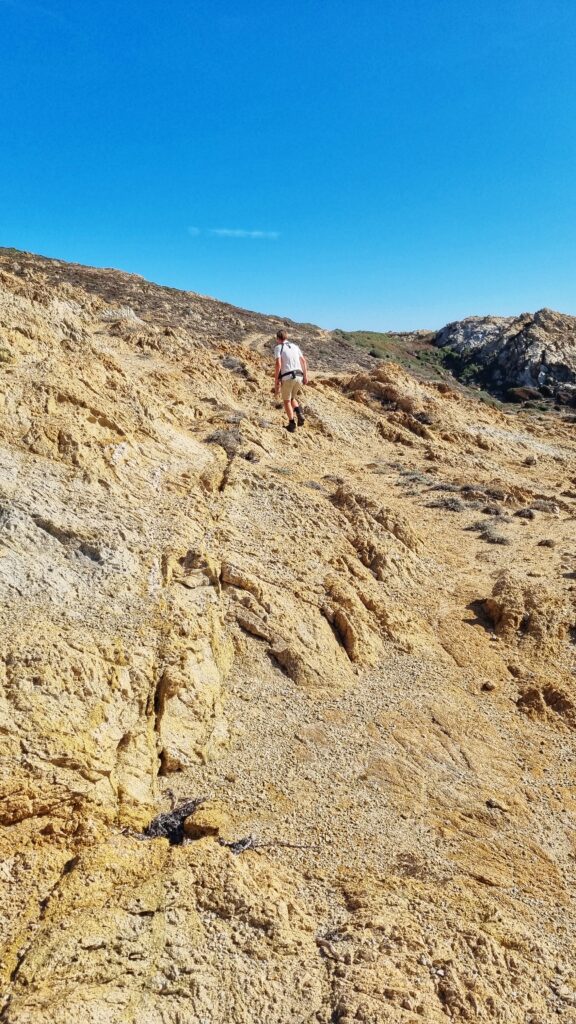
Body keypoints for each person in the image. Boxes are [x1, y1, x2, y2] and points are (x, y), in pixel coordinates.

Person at [273, 330, 308, 432]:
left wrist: (276, 381)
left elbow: (278, 364)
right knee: (292, 398)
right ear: (286, 337)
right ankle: (299, 413)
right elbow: (304, 361)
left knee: (286, 401)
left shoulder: (278, 348)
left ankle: (291, 424)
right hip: (299, 375)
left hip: (288, 377)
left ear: (277, 338)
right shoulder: (295, 346)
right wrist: (305, 376)